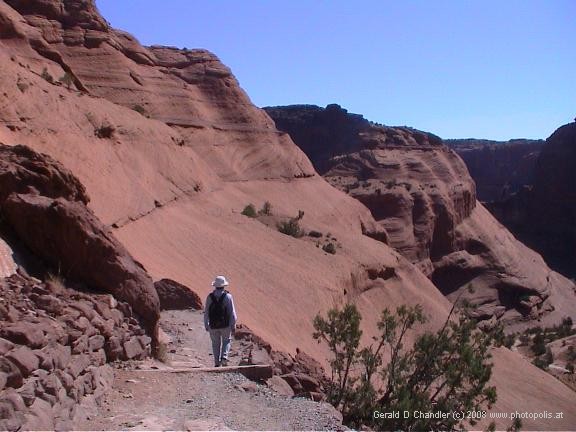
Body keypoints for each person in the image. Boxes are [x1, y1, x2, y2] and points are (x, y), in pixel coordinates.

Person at [204, 275, 237, 367]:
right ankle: (224, 357)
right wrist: (233, 325)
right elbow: (232, 313)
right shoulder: (228, 297)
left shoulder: (210, 297)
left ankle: (216, 362)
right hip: (225, 325)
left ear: (215, 286)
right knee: (227, 341)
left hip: (213, 325)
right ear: (224, 286)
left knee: (215, 343)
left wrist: (206, 324)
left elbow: (206, 312)